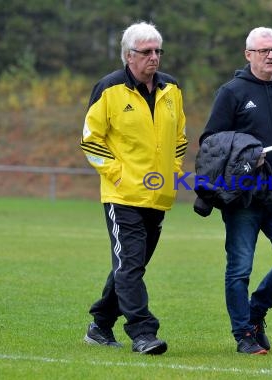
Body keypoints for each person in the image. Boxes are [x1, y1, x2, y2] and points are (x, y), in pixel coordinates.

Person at [199, 26, 272, 355]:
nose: (270, 56)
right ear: (248, 54)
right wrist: (245, 152)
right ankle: (243, 334)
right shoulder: (232, 92)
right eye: (263, 50)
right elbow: (210, 143)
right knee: (240, 268)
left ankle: (256, 311)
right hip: (244, 198)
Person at [80, 21, 187, 355]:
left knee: (131, 265)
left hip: (159, 196)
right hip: (122, 196)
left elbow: (180, 139)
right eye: (147, 52)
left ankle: (99, 325)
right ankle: (143, 332)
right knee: (129, 265)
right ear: (129, 56)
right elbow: (90, 141)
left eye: (158, 51)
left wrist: (174, 171)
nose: (154, 57)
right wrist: (118, 174)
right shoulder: (109, 89)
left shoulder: (172, 90)